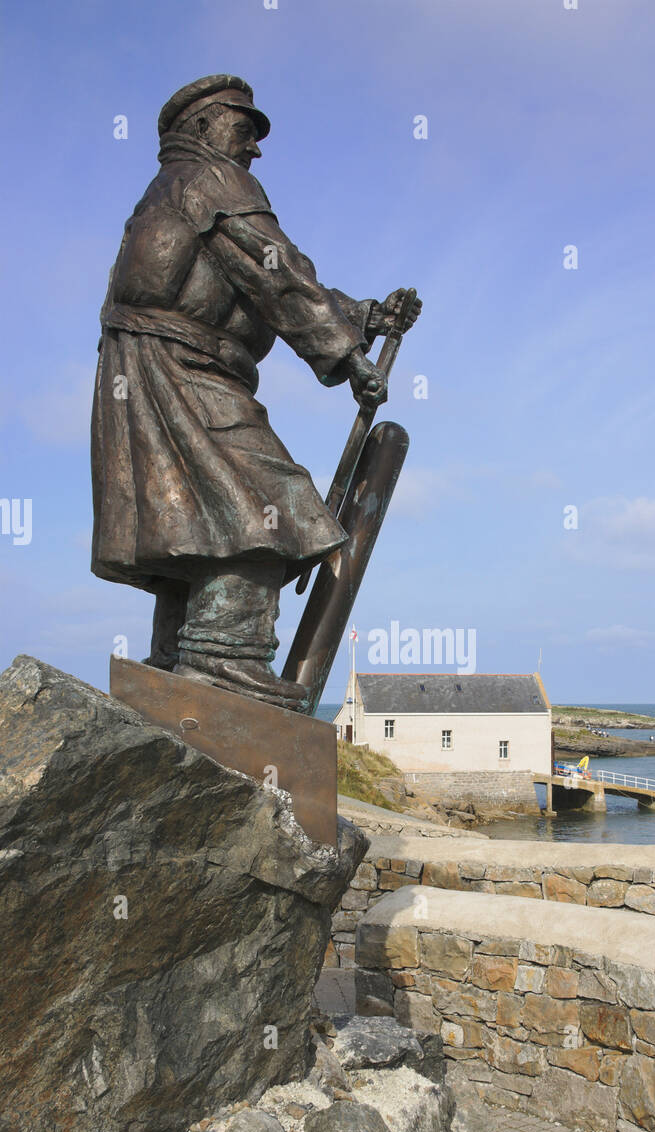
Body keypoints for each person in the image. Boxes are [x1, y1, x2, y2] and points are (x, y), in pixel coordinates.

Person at [91, 75, 421, 708]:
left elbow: (257, 278)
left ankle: (177, 660)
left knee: (190, 519)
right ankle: (226, 666)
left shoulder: (173, 189)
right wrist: (350, 357)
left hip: (152, 368)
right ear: (203, 128)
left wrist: (365, 316)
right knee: (272, 503)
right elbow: (276, 271)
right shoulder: (210, 180)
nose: (255, 148)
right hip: (180, 368)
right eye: (245, 129)